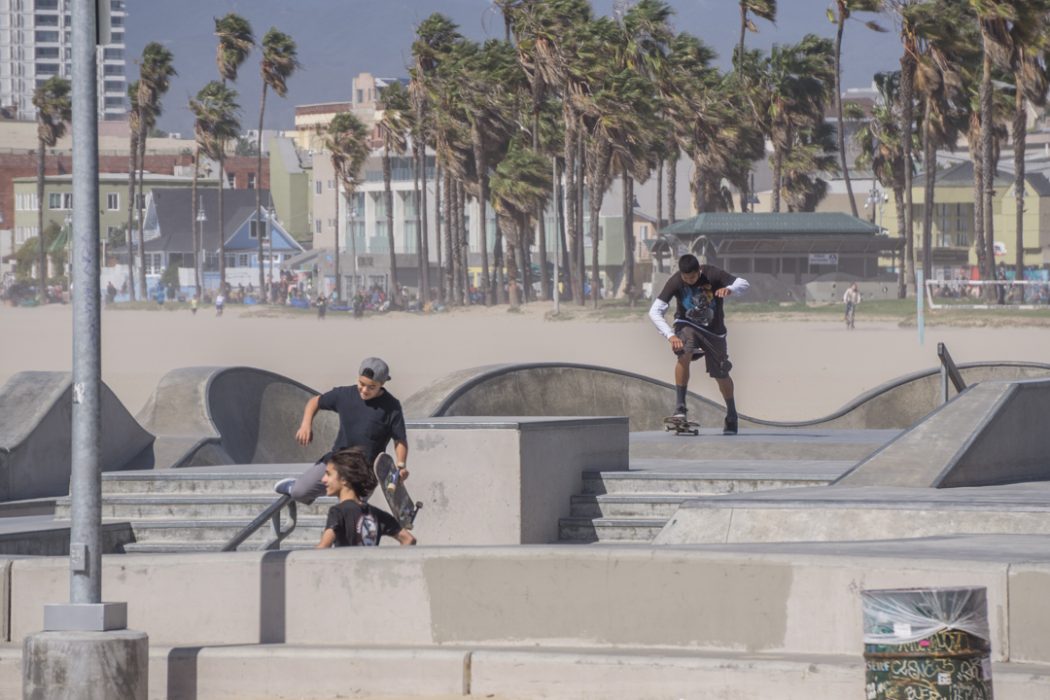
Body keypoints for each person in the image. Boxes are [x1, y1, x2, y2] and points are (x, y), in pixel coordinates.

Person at [276, 357, 409, 504]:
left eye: (371, 387)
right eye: (361, 384)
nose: (364, 390)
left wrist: (401, 465)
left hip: (365, 472)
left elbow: (399, 439)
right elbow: (315, 402)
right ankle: (292, 486)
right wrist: (306, 424)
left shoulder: (392, 407)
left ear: (382, 384)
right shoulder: (344, 395)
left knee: (351, 512)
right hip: (338, 461)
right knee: (299, 492)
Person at [648, 254, 749, 435]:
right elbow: (655, 311)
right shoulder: (676, 281)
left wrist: (730, 290)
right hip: (687, 325)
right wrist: (671, 336)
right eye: (686, 278)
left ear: (699, 271)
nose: (689, 281)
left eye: (693, 278)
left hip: (714, 332)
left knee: (721, 372)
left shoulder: (712, 273)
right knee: (683, 350)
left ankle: (732, 414)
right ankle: (680, 408)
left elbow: (743, 283)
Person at [315, 447, 416, 547]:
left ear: (344, 479)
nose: (323, 479)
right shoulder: (376, 514)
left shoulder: (338, 512)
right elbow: (409, 539)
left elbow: (323, 548)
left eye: (328, 474)